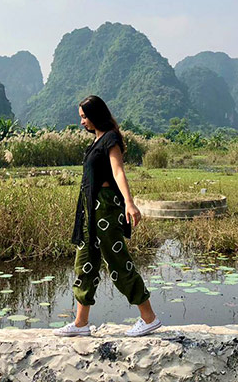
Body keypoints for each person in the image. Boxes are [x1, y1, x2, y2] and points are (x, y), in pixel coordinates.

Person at [54, 95, 161, 337]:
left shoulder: (110, 138)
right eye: (80, 117)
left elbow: (118, 171)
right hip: (89, 210)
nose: (81, 122)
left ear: (96, 115)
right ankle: (81, 324)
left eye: (84, 116)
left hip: (105, 209)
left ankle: (149, 318)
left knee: (118, 262)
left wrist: (129, 203)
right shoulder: (95, 141)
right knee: (85, 263)